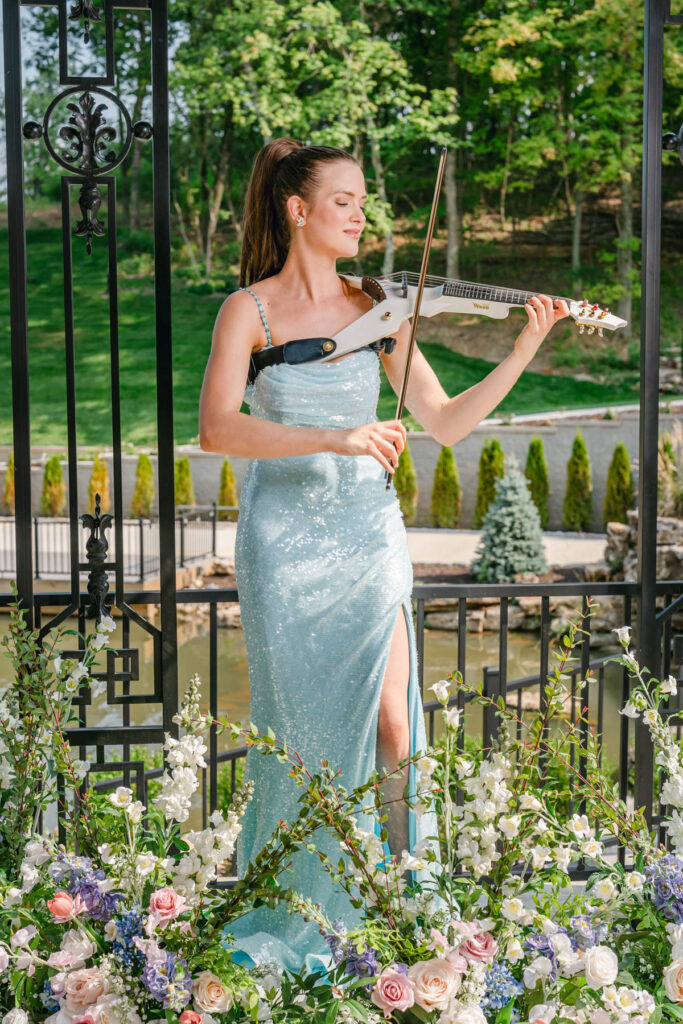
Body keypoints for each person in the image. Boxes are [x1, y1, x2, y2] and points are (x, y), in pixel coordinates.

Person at [198, 137, 569, 976]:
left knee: (397, 725)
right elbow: (218, 428)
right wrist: (338, 435)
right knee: (302, 736)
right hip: (284, 546)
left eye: (363, 201)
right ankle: (301, 901)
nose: (361, 215)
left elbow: (443, 422)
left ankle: (407, 899)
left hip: (367, 536)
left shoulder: (381, 309)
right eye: (344, 200)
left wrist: (520, 349)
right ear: (298, 210)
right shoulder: (247, 313)